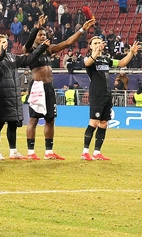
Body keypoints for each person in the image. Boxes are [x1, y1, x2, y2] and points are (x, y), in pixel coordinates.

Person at [25, 14, 94, 160]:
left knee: (50, 119)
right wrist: (37, 26)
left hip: (49, 87)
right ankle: (31, 152)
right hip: (37, 87)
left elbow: (68, 42)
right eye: (40, 35)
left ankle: (49, 152)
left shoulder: (48, 50)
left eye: (44, 34)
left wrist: (81, 30)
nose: (43, 37)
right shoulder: (29, 50)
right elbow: (29, 42)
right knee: (34, 119)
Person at [0, 34, 48, 160]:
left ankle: (13, 151)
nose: (6, 44)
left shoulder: (11, 57)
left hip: (13, 95)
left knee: (12, 123)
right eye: (2, 42)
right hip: (1, 95)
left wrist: (41, 48)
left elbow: (27, 59)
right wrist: (2, 51)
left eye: (6, 42)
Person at [83, 36, 138, 160]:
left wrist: (131, 53)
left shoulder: (105, 59)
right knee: (94, 122)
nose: (97, 44)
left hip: (107, 94)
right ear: (90, 46)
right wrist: (96, 52)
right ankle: (85, 152)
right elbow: (87, 63)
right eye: (94, 43)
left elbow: (121, 63)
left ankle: (97, 152)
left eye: (99, 42)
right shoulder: (89, 59)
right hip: (96, 94)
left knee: (104, 123)